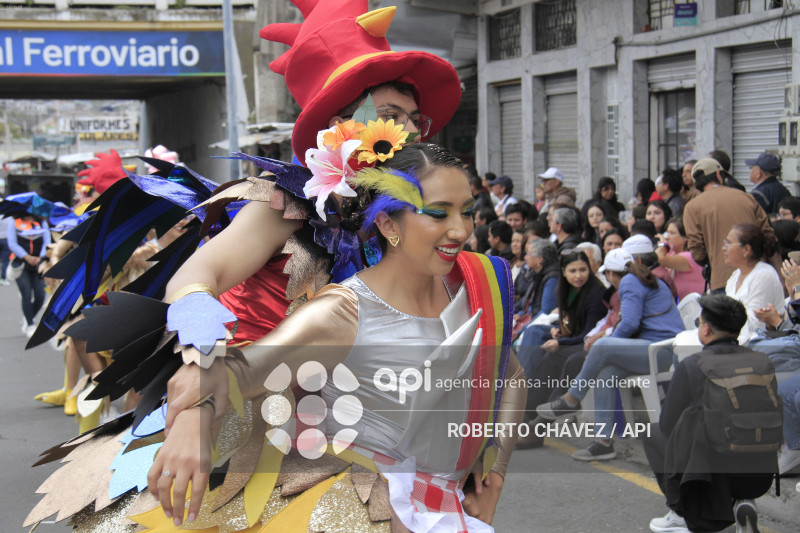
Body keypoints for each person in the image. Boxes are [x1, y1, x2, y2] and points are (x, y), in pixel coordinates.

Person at [27, 144, 528, 532]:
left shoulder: (479, 282)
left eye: (467, 211)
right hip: (351, 494)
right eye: (440, 212)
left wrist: (495, 470)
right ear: (389, 223)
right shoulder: (329, 289)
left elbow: (510, 375)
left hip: (450, 509)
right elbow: (199, 296)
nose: (461, 229)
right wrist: (194, 416)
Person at [157, 0, 463, 351]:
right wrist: (205, 354)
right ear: (341, 127)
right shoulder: (287, 204)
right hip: (249, 401)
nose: (411, 132)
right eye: (390, 115)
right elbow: (192, 278)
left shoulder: (397, 221)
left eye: (414, 119)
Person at [645, 294, 779, 533]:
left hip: (711, 478)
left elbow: (667, 425)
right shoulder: (763, 362)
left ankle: (680, 511)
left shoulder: (692, 365)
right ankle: (744, 501)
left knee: (653, 431)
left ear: (705, 329)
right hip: (761, 475)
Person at [536, 248, 684, 461]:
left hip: (659, 352)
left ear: (611, 274)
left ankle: (571, 398)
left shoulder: (629, 282)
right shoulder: (642, 277)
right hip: (656, 350)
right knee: (606, 373)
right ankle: (603, 442)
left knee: (603, 346)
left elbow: (630, 323)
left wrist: (605, 347)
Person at [515, 250, 606, 391]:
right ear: (564, 272)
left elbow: (587, 333)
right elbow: (569, 321)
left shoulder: (595, 294)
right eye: (573, 271)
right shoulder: (565, 290)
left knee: (551, 355)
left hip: (585, 340)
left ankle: (523, 394)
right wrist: (558, 328)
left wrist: (560, 342)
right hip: (571, 335)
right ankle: (518, 384)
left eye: (583, 269)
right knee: (534, 331)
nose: (578, 275)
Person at [683, 158, 773, 292]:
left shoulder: (692, 207)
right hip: (757, 275)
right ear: (719, 175)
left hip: (721, 280)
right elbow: (768, 235)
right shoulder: (746, 197)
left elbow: (697, 252)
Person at [723, 223, 784, 344]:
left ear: (746, 249)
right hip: (735, 337)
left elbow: (756, 323)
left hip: (760, 342)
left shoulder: (763, 274)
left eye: (728, 243)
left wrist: (720, 321)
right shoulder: (735, 277)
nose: (724, 248)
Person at [7, 212, 49, 337]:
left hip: (39, 264)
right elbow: (12, 243)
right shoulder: (14, 223)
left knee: (40, 296)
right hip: (21, 264)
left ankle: (28, 317)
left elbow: (47, 241)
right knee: (26, 294)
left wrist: (40, 257)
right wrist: (26, 257)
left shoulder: (42, 222)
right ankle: (30, 324)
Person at [655, 217, 706, 300]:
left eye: (672, 233)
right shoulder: (675, 254)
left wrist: (663, 244)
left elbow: (658, 258)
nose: (667, 237)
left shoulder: (688, 256)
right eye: (667, 233)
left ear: (685, 237)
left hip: (694, 308)